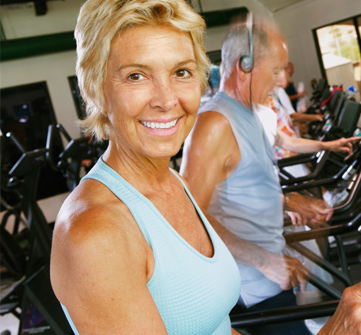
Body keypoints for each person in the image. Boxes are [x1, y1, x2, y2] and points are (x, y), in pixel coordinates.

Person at [180, 17, 361, 335]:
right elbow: (186, 216)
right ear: (244, 65)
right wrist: (263, 260)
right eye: (274, 71)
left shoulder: (248, 116)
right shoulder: (214, 124)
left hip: (272, 274)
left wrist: (288, 201)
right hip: (250, 289)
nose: (279, 82)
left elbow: (239, 187)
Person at [50, 1, 242, 334]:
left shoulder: (171, 181)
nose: (166, 100)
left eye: (181, 72)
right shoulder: (94, 235)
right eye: (136, 76)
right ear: (96, 90)